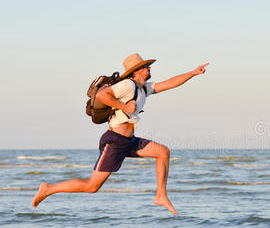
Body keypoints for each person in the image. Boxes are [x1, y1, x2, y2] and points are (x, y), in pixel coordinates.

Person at [32, 53, 209, 215]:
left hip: (129, 141)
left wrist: (193, 73)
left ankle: (161, 195)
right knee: (92, 186)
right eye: (146, 66)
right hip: (115, 141)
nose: (150, 68)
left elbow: (170, 83)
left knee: (162, 151)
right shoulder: (127, 85)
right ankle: (48, 189)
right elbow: (103, 94)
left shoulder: (143, 88)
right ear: (137, 71)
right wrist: (124, 106)